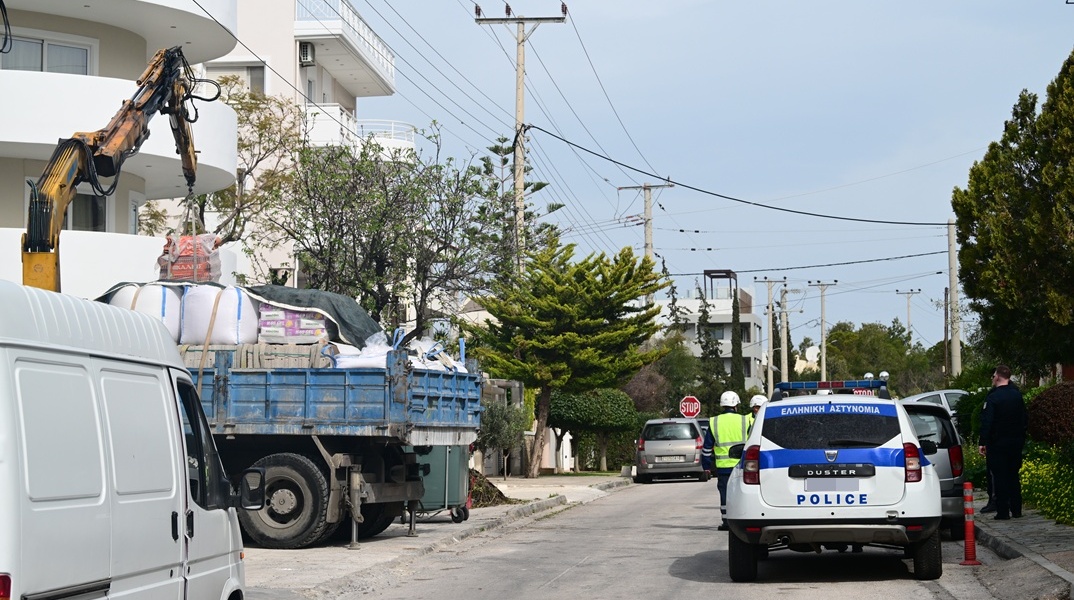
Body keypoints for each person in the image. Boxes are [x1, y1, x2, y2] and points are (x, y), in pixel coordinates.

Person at [978, 365, 1027, 520]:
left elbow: (987, 421)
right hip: (1015, 441)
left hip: (997, 442)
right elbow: (1024, 418)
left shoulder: (993, 397)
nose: (992, 379)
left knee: (1000, 477)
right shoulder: (1017, 395)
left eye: (993, 376)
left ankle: (1003, 511)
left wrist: (982, 441)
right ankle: (1017, 509)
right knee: (1013, 475)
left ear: (998, 377)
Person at [703, 391, 752, 531]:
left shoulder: (714, 422)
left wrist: (706, 466)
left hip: (723, 467)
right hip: (741, 466)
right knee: (742, 492)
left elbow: (707, 448)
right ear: (736, 405)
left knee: (725, 493)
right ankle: (744, 518)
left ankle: (726, 521)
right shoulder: (745, 420)